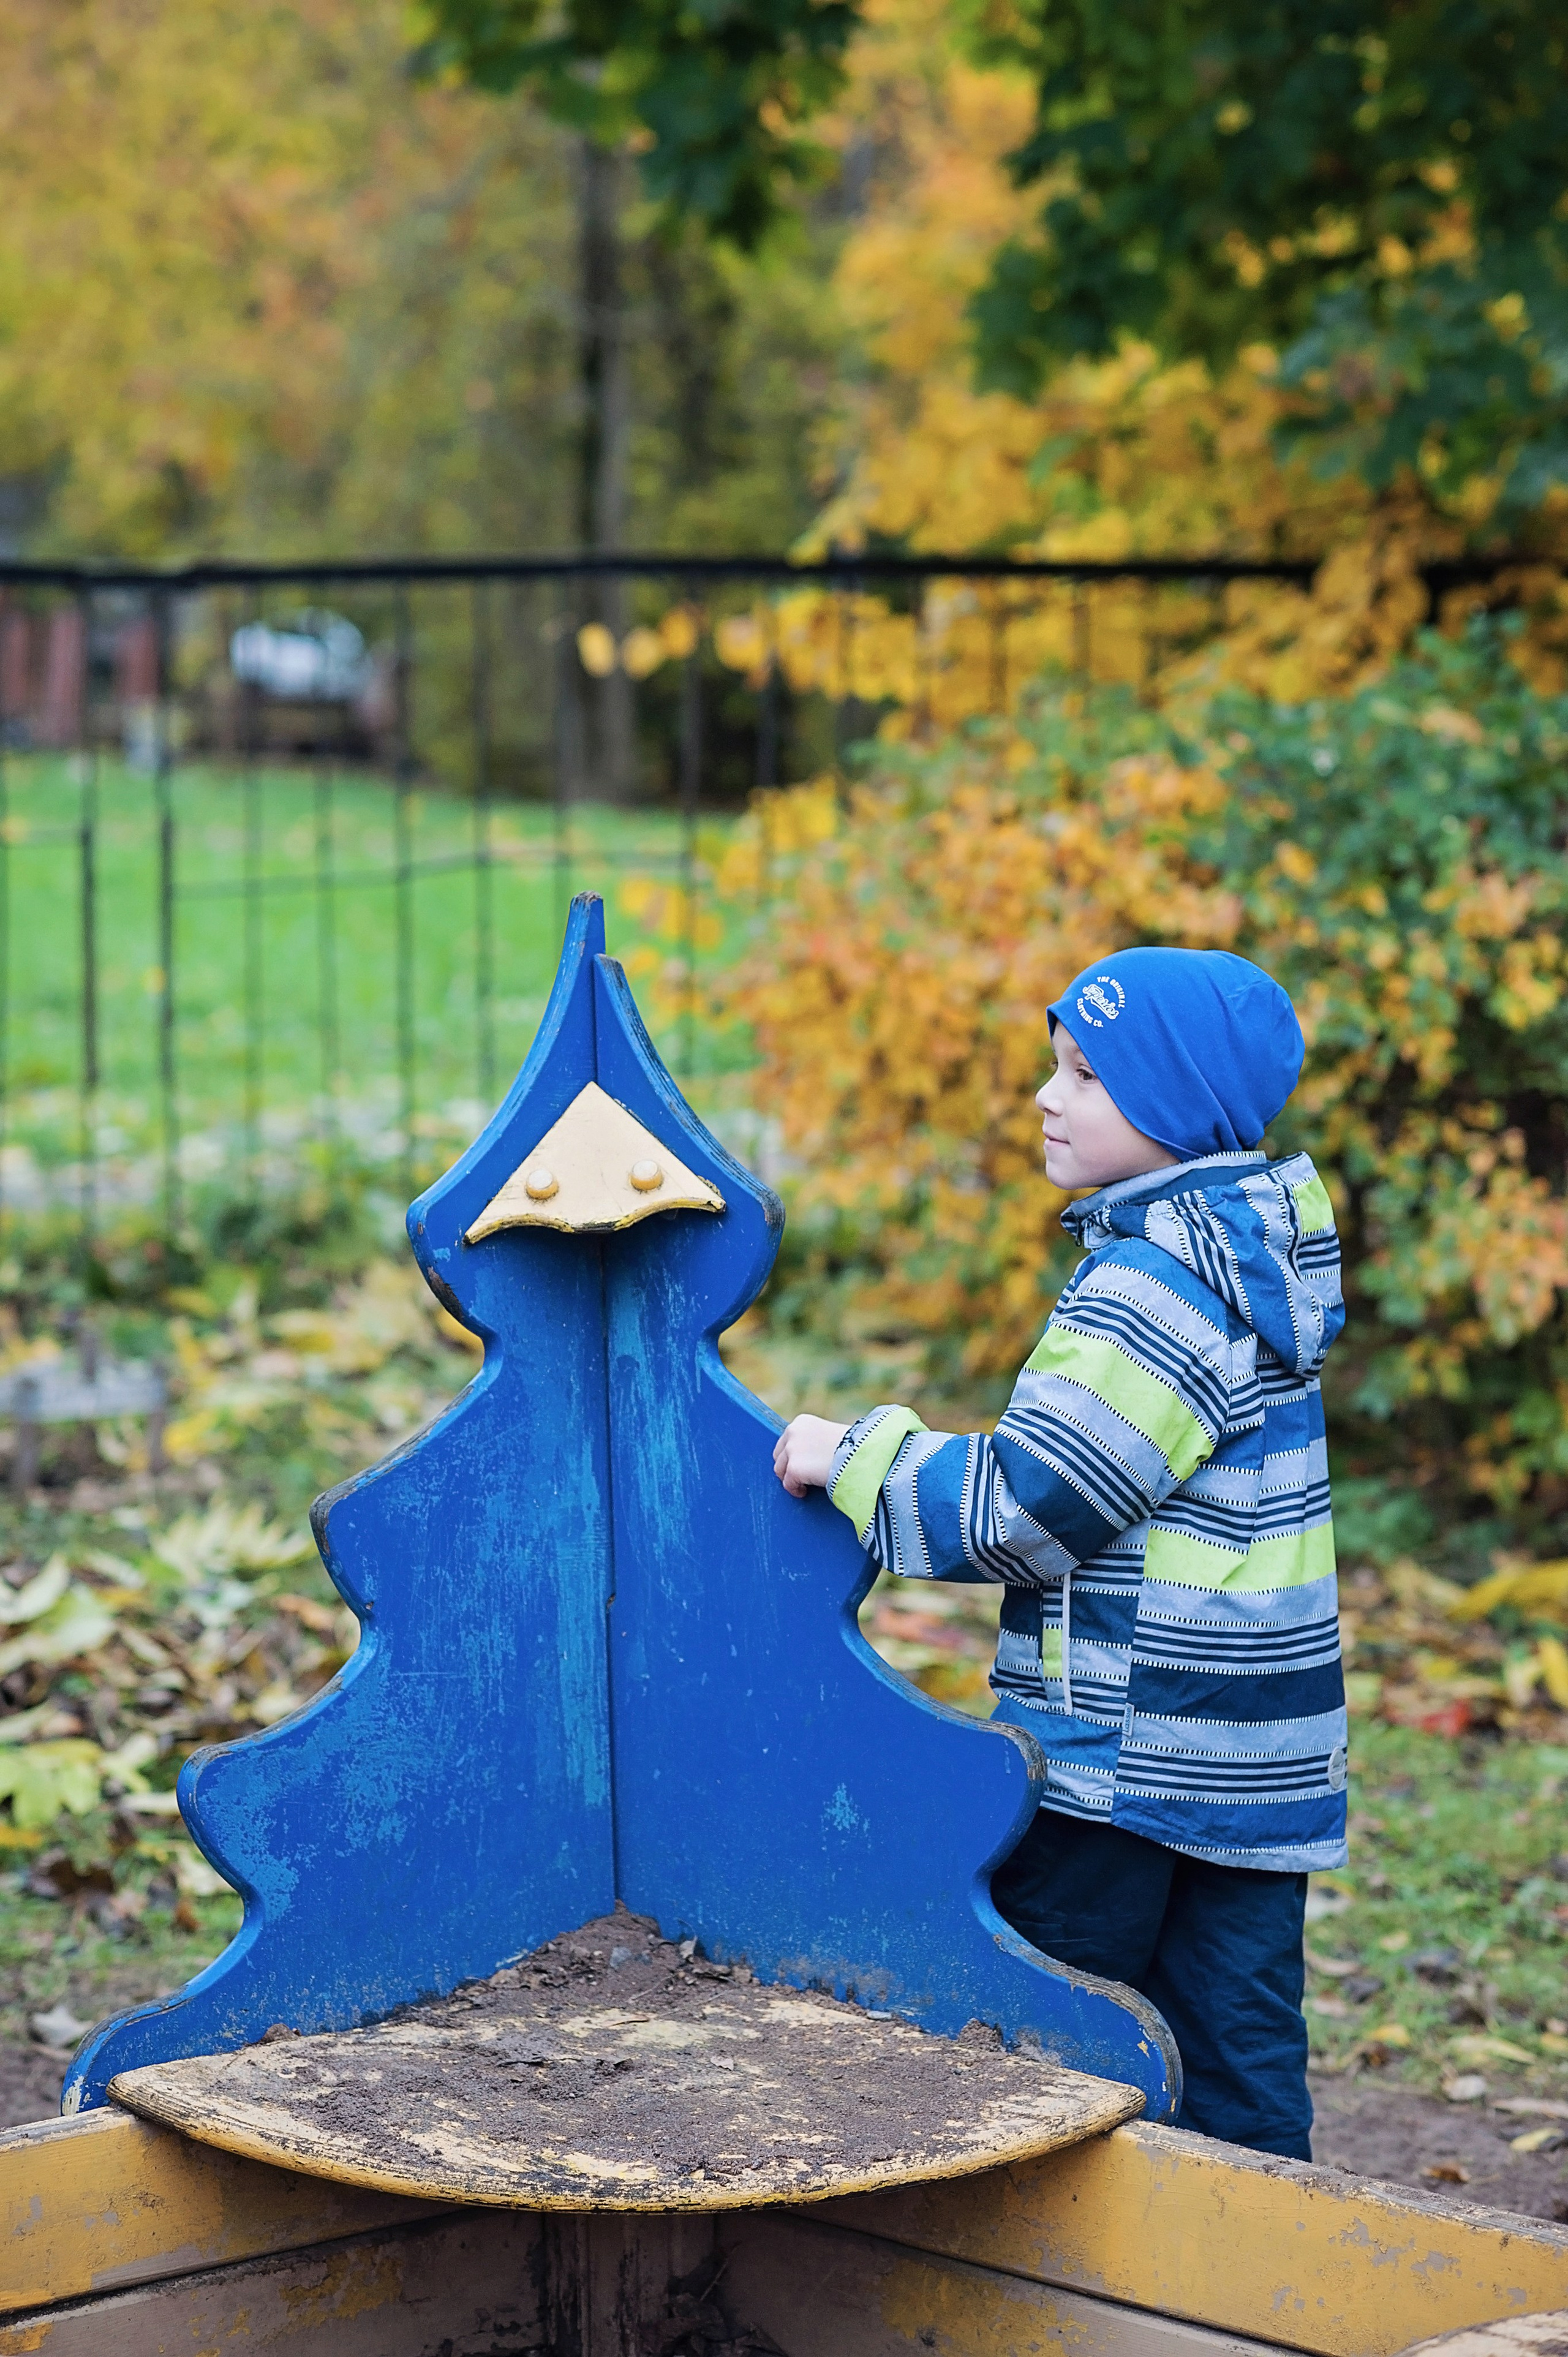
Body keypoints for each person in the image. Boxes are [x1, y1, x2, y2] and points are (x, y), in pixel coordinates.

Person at [772, 946, 1345, 2160]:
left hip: (1122, 1762)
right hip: (1247, 1757)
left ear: (1177, 1108)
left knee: (1029, 2033)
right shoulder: (1251, 1268)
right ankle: (1251, 2298)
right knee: (1239, 2063)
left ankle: (1010, 2267)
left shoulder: (1154, 1288)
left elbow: (1026, 1506)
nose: (1046, 1096)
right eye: (1054, 1066)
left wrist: (856, 1455)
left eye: (1084, 1075)